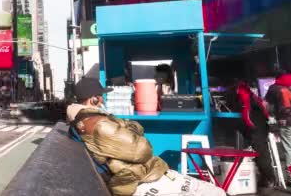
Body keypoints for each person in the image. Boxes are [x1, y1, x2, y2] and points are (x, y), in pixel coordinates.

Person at [67, 77, 226, 196]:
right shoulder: (100, 125)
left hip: (140, 175)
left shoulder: (85, 121)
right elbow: (143, 150)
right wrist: (130, 130)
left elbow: (134, 127)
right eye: (100, 96)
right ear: (93, 98)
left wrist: (128, 129)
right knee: (215, 193)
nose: (103, 99)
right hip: (139, 181)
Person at [235, 79, 275, 188]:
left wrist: (250, 125)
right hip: (264, 126)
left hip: (257, 128)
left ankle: (272, 179)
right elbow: (264, 110)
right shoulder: (254, 96)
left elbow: (246, 111)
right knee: (264, 152)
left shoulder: (243, 94)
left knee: (261, 153)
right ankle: (269, 178)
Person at [265, 72, 291, 186]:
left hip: (287, 123)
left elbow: (266, 106)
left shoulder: (275, 88)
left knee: (290, 152)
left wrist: (273, 115)